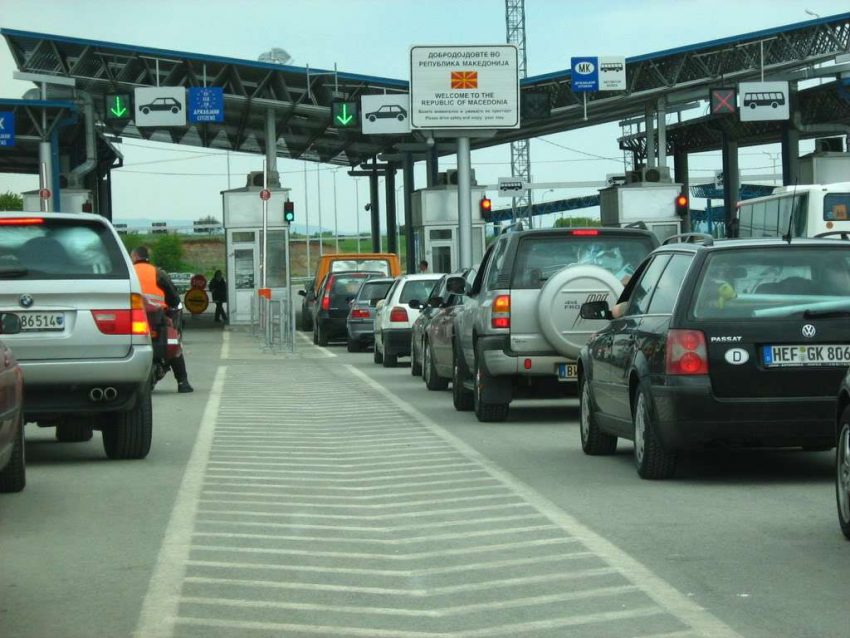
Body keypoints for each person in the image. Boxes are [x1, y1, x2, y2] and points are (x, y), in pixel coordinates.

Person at [131, 246, 194, 393]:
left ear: (135, 257)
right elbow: (174, 298)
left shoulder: (129, 272)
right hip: (157, 318)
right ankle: (183, 382)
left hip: (133, 318)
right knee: (173, 344)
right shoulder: (158, 273)